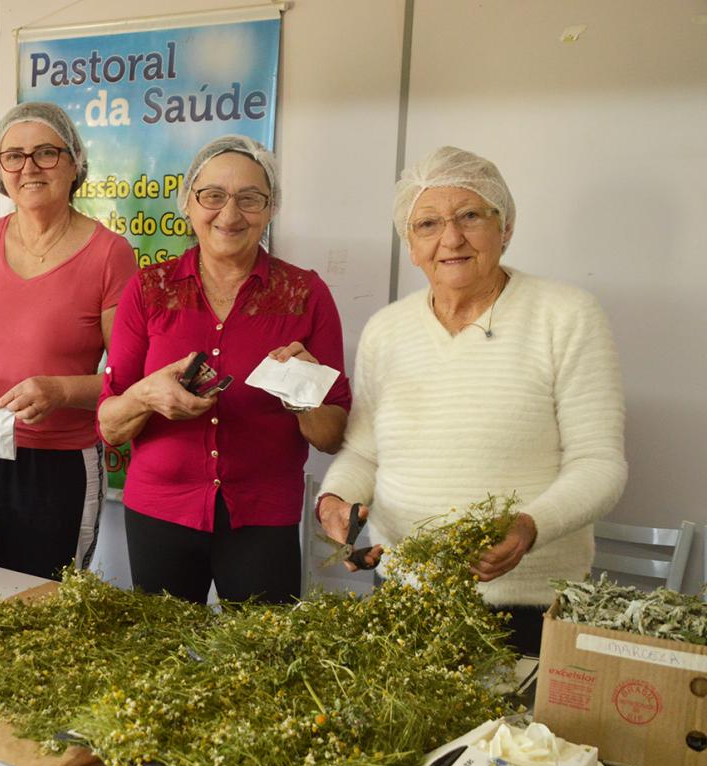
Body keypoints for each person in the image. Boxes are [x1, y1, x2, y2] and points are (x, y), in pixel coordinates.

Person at [317, 145, 627, 656]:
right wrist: (333, 501)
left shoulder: (565, 315)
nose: (451, 239)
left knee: (517, 737)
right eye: (428, 224)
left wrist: (529, 527)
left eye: (470, 216)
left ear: (504, 228)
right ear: (410, 245)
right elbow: (364, 452)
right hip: (405, 593)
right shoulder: (386, 330)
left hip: (530, 604)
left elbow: (599, 464)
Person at [97, 135, 352, 605]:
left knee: (262, 667)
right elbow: (110, 426)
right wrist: (146, 395)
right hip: (159, 513)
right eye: (212, 196)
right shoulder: (148, 289)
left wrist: (302, 391)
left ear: (271, 207)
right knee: (161, 664)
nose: (230, 215)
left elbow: (332, 435)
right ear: (188, 205)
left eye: (249, 199)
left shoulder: (305, 294)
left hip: (262, 518)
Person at [0, 102, 137, 580]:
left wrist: (63, 391)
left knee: (46, 605)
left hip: (60, 464)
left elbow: (129, 376)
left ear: (74, 164)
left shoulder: (109, 253)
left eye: (46, 153)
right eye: (14, 156)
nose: (29, 167)